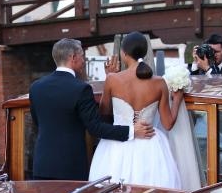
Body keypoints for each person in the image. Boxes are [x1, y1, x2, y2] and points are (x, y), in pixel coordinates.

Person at [29, 37, 155, 181]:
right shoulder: (81, 89)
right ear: (73, 57)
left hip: (41, 165)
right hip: (70, 167)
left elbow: (38, 123)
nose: (84, 60)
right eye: (82, 56)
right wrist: (133, 130)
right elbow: (96, 128)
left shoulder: (36, 87)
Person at [88, 32, 185, 188]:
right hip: (151, 146)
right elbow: (168, 124)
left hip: (117, 148)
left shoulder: (113, 79)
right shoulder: (159, 82)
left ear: (124, 53)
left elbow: (104, 116)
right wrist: (178, 99)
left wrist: (109, 77)